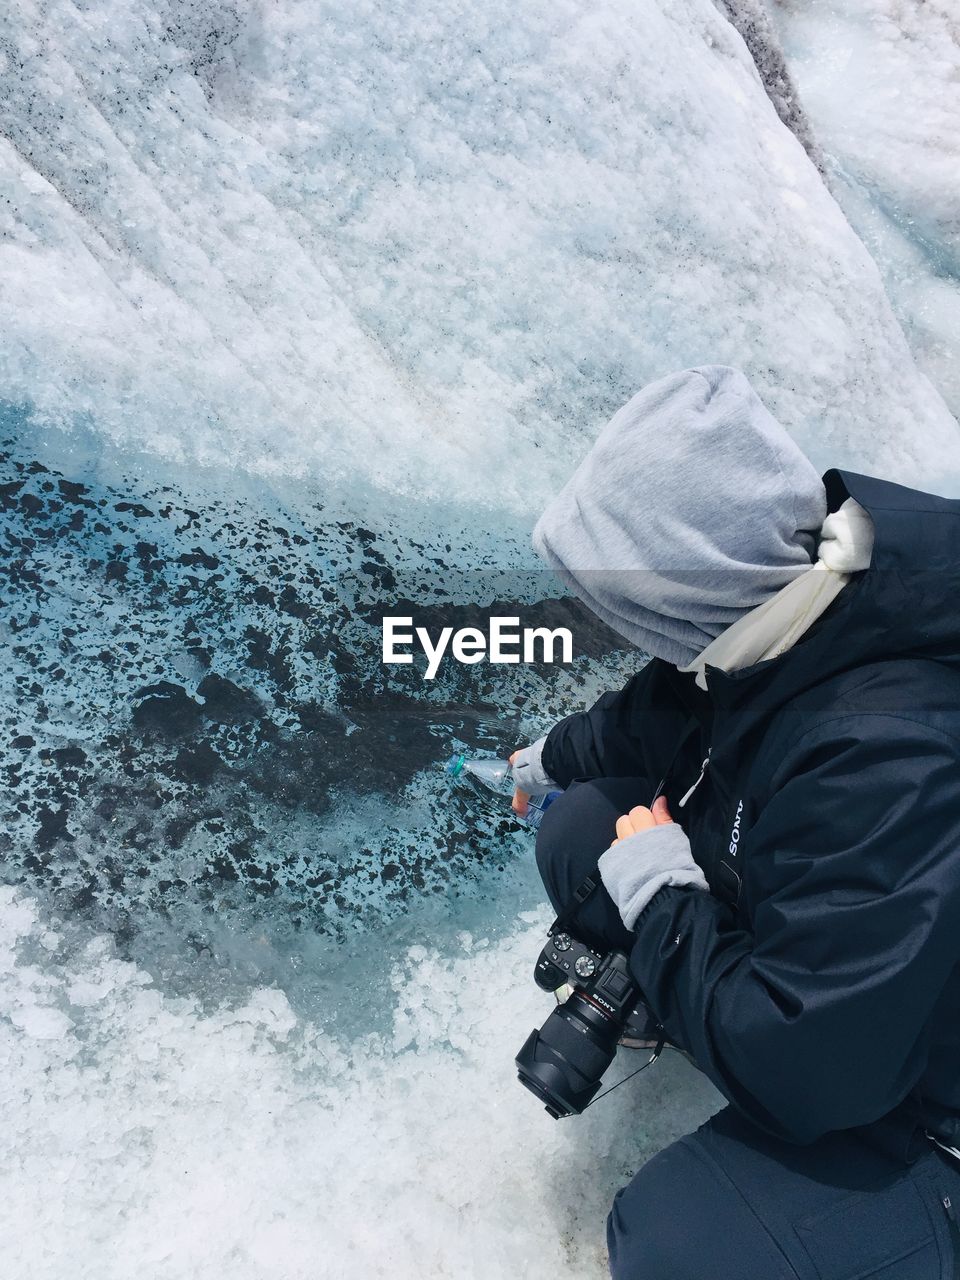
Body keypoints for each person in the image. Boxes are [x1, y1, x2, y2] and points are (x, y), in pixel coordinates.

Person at [510, 366, 960, 1280]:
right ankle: (707, 1002)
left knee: (679, 1243)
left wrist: (670, 906)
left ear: (688, 595)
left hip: (922, 1080)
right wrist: (551, 755)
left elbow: (819, 1070)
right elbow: (684, 697)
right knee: (581, 836)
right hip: (872, 953)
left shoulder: (886, 755)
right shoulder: (809, 583)